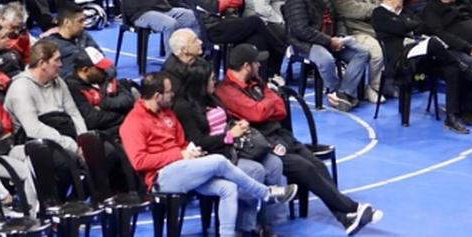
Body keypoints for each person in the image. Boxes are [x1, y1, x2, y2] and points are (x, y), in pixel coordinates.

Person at [216, 47, 382, 235]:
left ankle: (346, 218)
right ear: (246, 66)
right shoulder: (226, 91)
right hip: (262, 143)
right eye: (256, 62)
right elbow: (258, 112)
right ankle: (352, 209)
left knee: (318, 165)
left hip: (280, 134)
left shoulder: (256, 80)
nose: (259, 64)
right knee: (305, 168)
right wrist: (268, 100)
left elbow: (281, 109)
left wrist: (266, 102)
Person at [120, 70, 293, 237]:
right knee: (218, 161)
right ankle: (265, 193)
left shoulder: (168, 114)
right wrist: (180, 155)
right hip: (160, 177)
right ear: (157, 96)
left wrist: (192, 151)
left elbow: (182, 143)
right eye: (168, 92)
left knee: (228, 188)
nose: (173, 94)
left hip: (184, 168)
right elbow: (139, 162)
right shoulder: (134, 122)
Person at [170, 57, 290, 237]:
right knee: (255, 170)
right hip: (214, 154)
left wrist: (238, 126)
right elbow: (198, 141)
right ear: (200, 83)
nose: (214, 81)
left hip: (235, 146)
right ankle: (246, 227)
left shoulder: (211, 96)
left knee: (274, 164)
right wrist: (229, 135)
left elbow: (225, 120)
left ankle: (266, 220)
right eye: (211, 79)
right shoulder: (184, 107)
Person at [371, 0, 472, 133]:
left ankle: (451, 118)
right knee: (433, 42)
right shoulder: (379, 13)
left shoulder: (404, 12)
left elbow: (423, 26)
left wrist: (408, 27)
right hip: (401, 60)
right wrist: (409, 27)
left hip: (420, 58)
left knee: (451, 69)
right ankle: (466, 69)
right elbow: (402, 27)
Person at [282, 0, 370, 112]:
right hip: (306, 43)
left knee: (361, 52)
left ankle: (343, 93)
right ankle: (335, 90)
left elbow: (339, 17)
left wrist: (341, 36)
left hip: (331, 38)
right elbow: (300, 30)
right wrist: (329, 41)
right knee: (326, 59)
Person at [4, 40, 87, 155]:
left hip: (65, 134)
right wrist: (71, 145)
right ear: (42, 63)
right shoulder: (21, 88)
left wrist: (84, 141)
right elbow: (33, 129)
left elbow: (74, 113)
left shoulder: (58, 81)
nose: (61, 64)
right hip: (35, 143)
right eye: (56, 60)